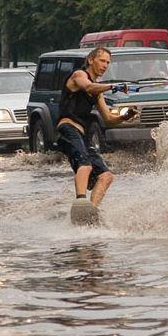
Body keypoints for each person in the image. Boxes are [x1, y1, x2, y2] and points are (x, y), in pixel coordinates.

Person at [56, 47, 138, 215]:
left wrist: (125, 116)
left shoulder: (98, 92)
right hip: (68, 128)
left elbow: (108, 119)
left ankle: (91, 211)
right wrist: (112, 86)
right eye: (102, 61)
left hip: (82, 135)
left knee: (106, 176)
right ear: (91, 60)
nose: (105, 65)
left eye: (108, 62)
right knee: (84, 165)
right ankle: (80, 202)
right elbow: (88, 87)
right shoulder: (78, 75)